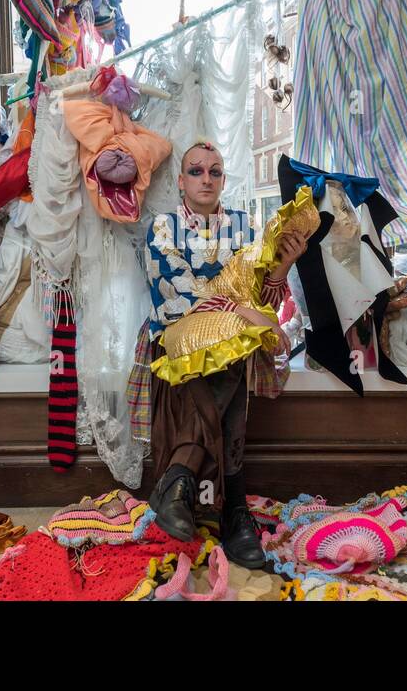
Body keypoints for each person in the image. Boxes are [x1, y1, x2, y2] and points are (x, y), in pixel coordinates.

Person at [137, 140, 306, 567]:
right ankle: (233, 509)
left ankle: (179, 480)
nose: (206, 178)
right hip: (177, 340)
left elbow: (260, 299)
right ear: (180, 180)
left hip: (228, 345)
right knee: (235, 342)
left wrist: (283, 268)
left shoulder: (246, 227)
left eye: (215, 171)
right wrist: (240, 311)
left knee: (235, 348)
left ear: (224, 180)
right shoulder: (163, 227)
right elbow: (176, 297)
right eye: (196, 171)